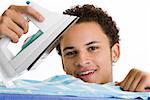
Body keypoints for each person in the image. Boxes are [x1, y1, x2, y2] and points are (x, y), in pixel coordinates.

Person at [0, 4, 150, 92]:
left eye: (92, 48)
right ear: (63, 63)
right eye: (71, 53)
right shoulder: (46, 91)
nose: (82, 61)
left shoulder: (137, 93)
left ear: (115, 52)